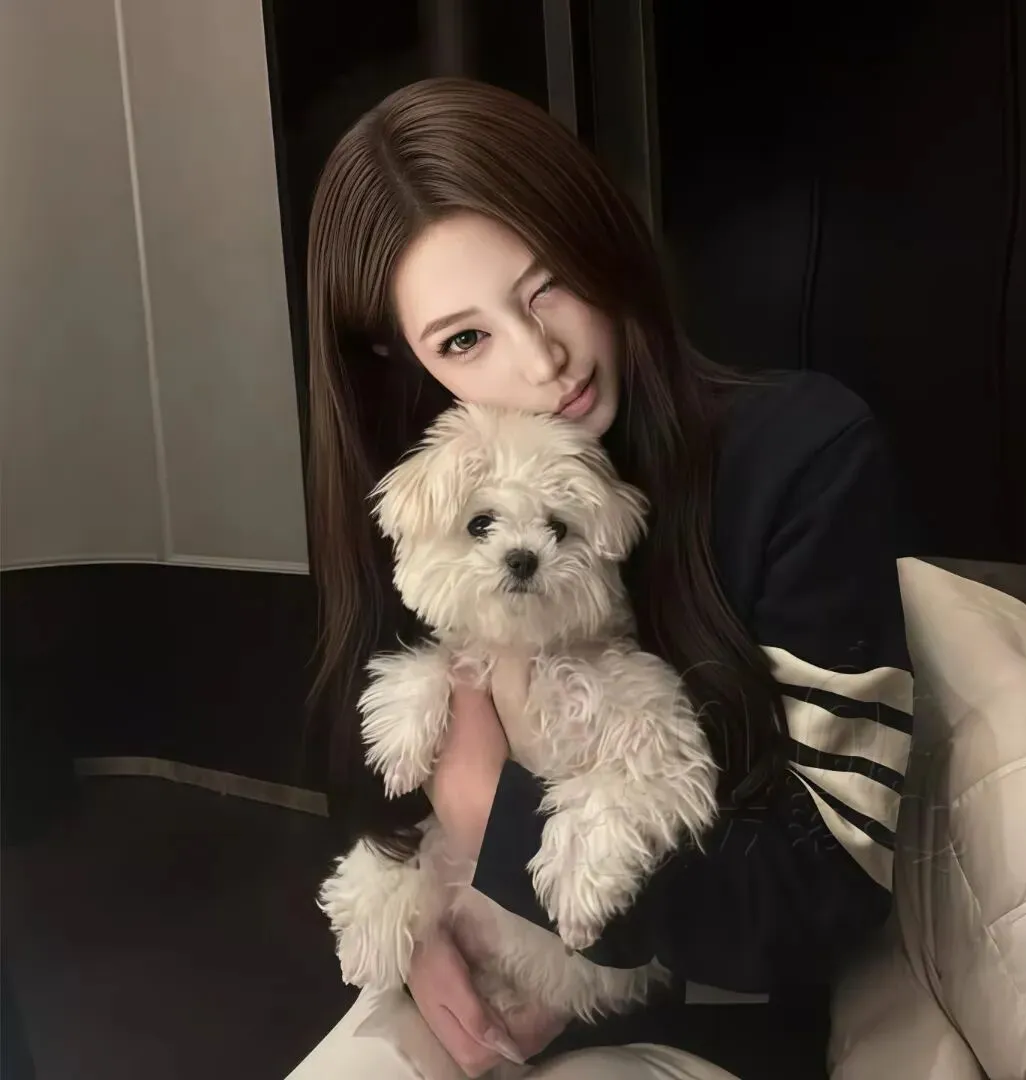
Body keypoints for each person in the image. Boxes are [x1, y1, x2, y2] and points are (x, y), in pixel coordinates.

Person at [300, 76, 912, 1080]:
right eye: (465, 339)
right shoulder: (436, 498)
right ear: (406, 361)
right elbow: (378, 788)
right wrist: (421, 943)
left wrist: (491, 815)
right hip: (466, 959)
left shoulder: (803, 454)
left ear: (598, 237)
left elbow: (829, 893)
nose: (542, 360)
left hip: (713, 1020)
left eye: (547, 284)